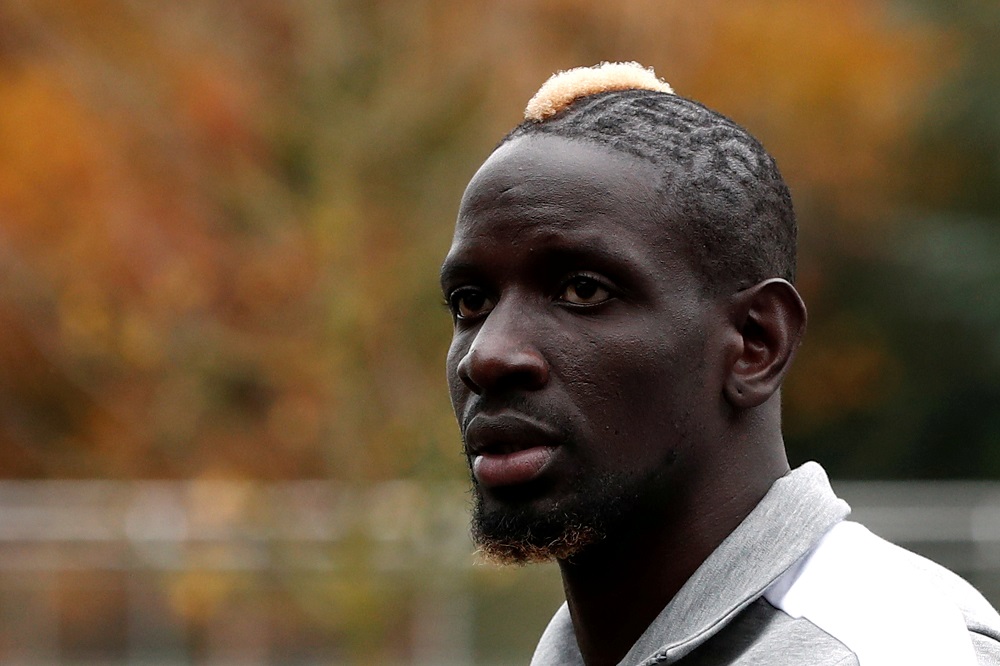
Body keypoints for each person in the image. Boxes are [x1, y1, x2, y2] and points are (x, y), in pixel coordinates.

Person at [439, 62, 1000, 665]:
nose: (488, 355)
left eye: (582, 291)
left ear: (756, 343)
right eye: (471, 303)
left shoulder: (890, 648)